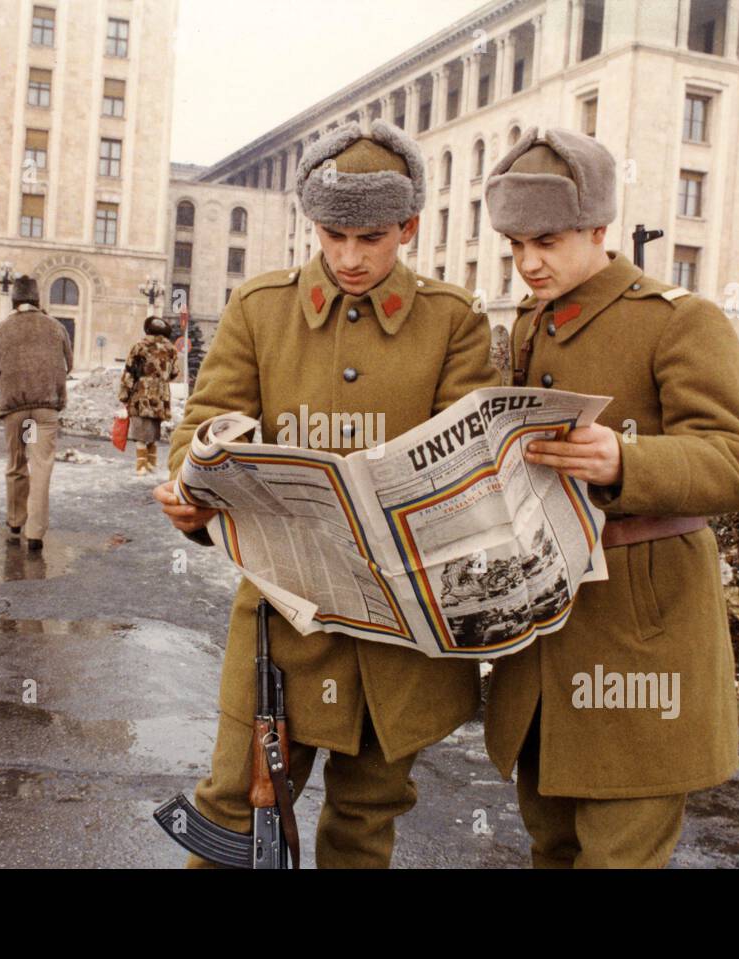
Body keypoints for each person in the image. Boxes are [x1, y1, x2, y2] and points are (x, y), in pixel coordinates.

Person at [153, 120, 502, 868]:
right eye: (332, 234)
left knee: (364, 820)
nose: (348, 257)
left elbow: (471, 462)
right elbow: (205, 421)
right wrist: (194, 487)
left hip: (403, 632)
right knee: (233, 810)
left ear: (408, 227)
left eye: (371, 237)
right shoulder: (260, 307)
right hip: (282, 623)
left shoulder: (455, 320)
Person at [481, 127, 739, 868]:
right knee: (553, 843)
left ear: (599, 229)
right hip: (548, 627)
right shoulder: (529, 320)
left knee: (619, 855)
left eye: (545, 240)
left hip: (642, 633)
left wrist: (625, 460)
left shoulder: (678, 319)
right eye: (514, 245)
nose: (528, 262)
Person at [0, 275, 73, 551]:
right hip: (45, 410)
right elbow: (68, 364)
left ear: (14, 300)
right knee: (42, 467)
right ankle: (35, 534)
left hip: (15, 410)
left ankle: (15, 520)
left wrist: (12, 382)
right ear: (37, 300)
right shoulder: (56, 328)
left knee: (16, 463)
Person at [119, 315, 180, 476]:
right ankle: (152, 464)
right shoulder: (171, 349)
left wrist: (124, 395)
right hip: (160, 395)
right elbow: (174, 373)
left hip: (141, 393)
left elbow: (129, 371)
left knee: (140, 430)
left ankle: (141, 467)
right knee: (154, 429)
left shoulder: (140, 346)